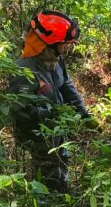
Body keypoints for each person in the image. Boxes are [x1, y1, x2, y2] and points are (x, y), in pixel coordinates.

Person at [8, 10, 91, 192]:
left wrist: (84, 114)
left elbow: (66, 86)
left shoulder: (56, 59)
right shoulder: (24, 71)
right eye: (63, 44)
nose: (66, 48)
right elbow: (19, 111)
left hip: (57, 131)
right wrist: (50, 114)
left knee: (62, 165)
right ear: (48, 43)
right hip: (38, 137)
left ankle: (63, 195)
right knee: (47, 177)